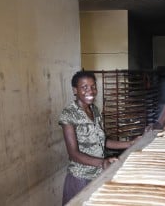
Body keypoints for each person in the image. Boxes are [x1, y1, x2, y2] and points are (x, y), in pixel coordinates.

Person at [59, 71, 137, 205]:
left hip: (99, 175)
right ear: (75, 90)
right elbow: (73, 154)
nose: (91, 91)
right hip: (81, 177)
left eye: (93, 86)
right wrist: (103, 162)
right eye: (84, 87)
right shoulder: (69, 114)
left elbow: (103, 141)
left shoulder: (95, 110)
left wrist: (131, 144)